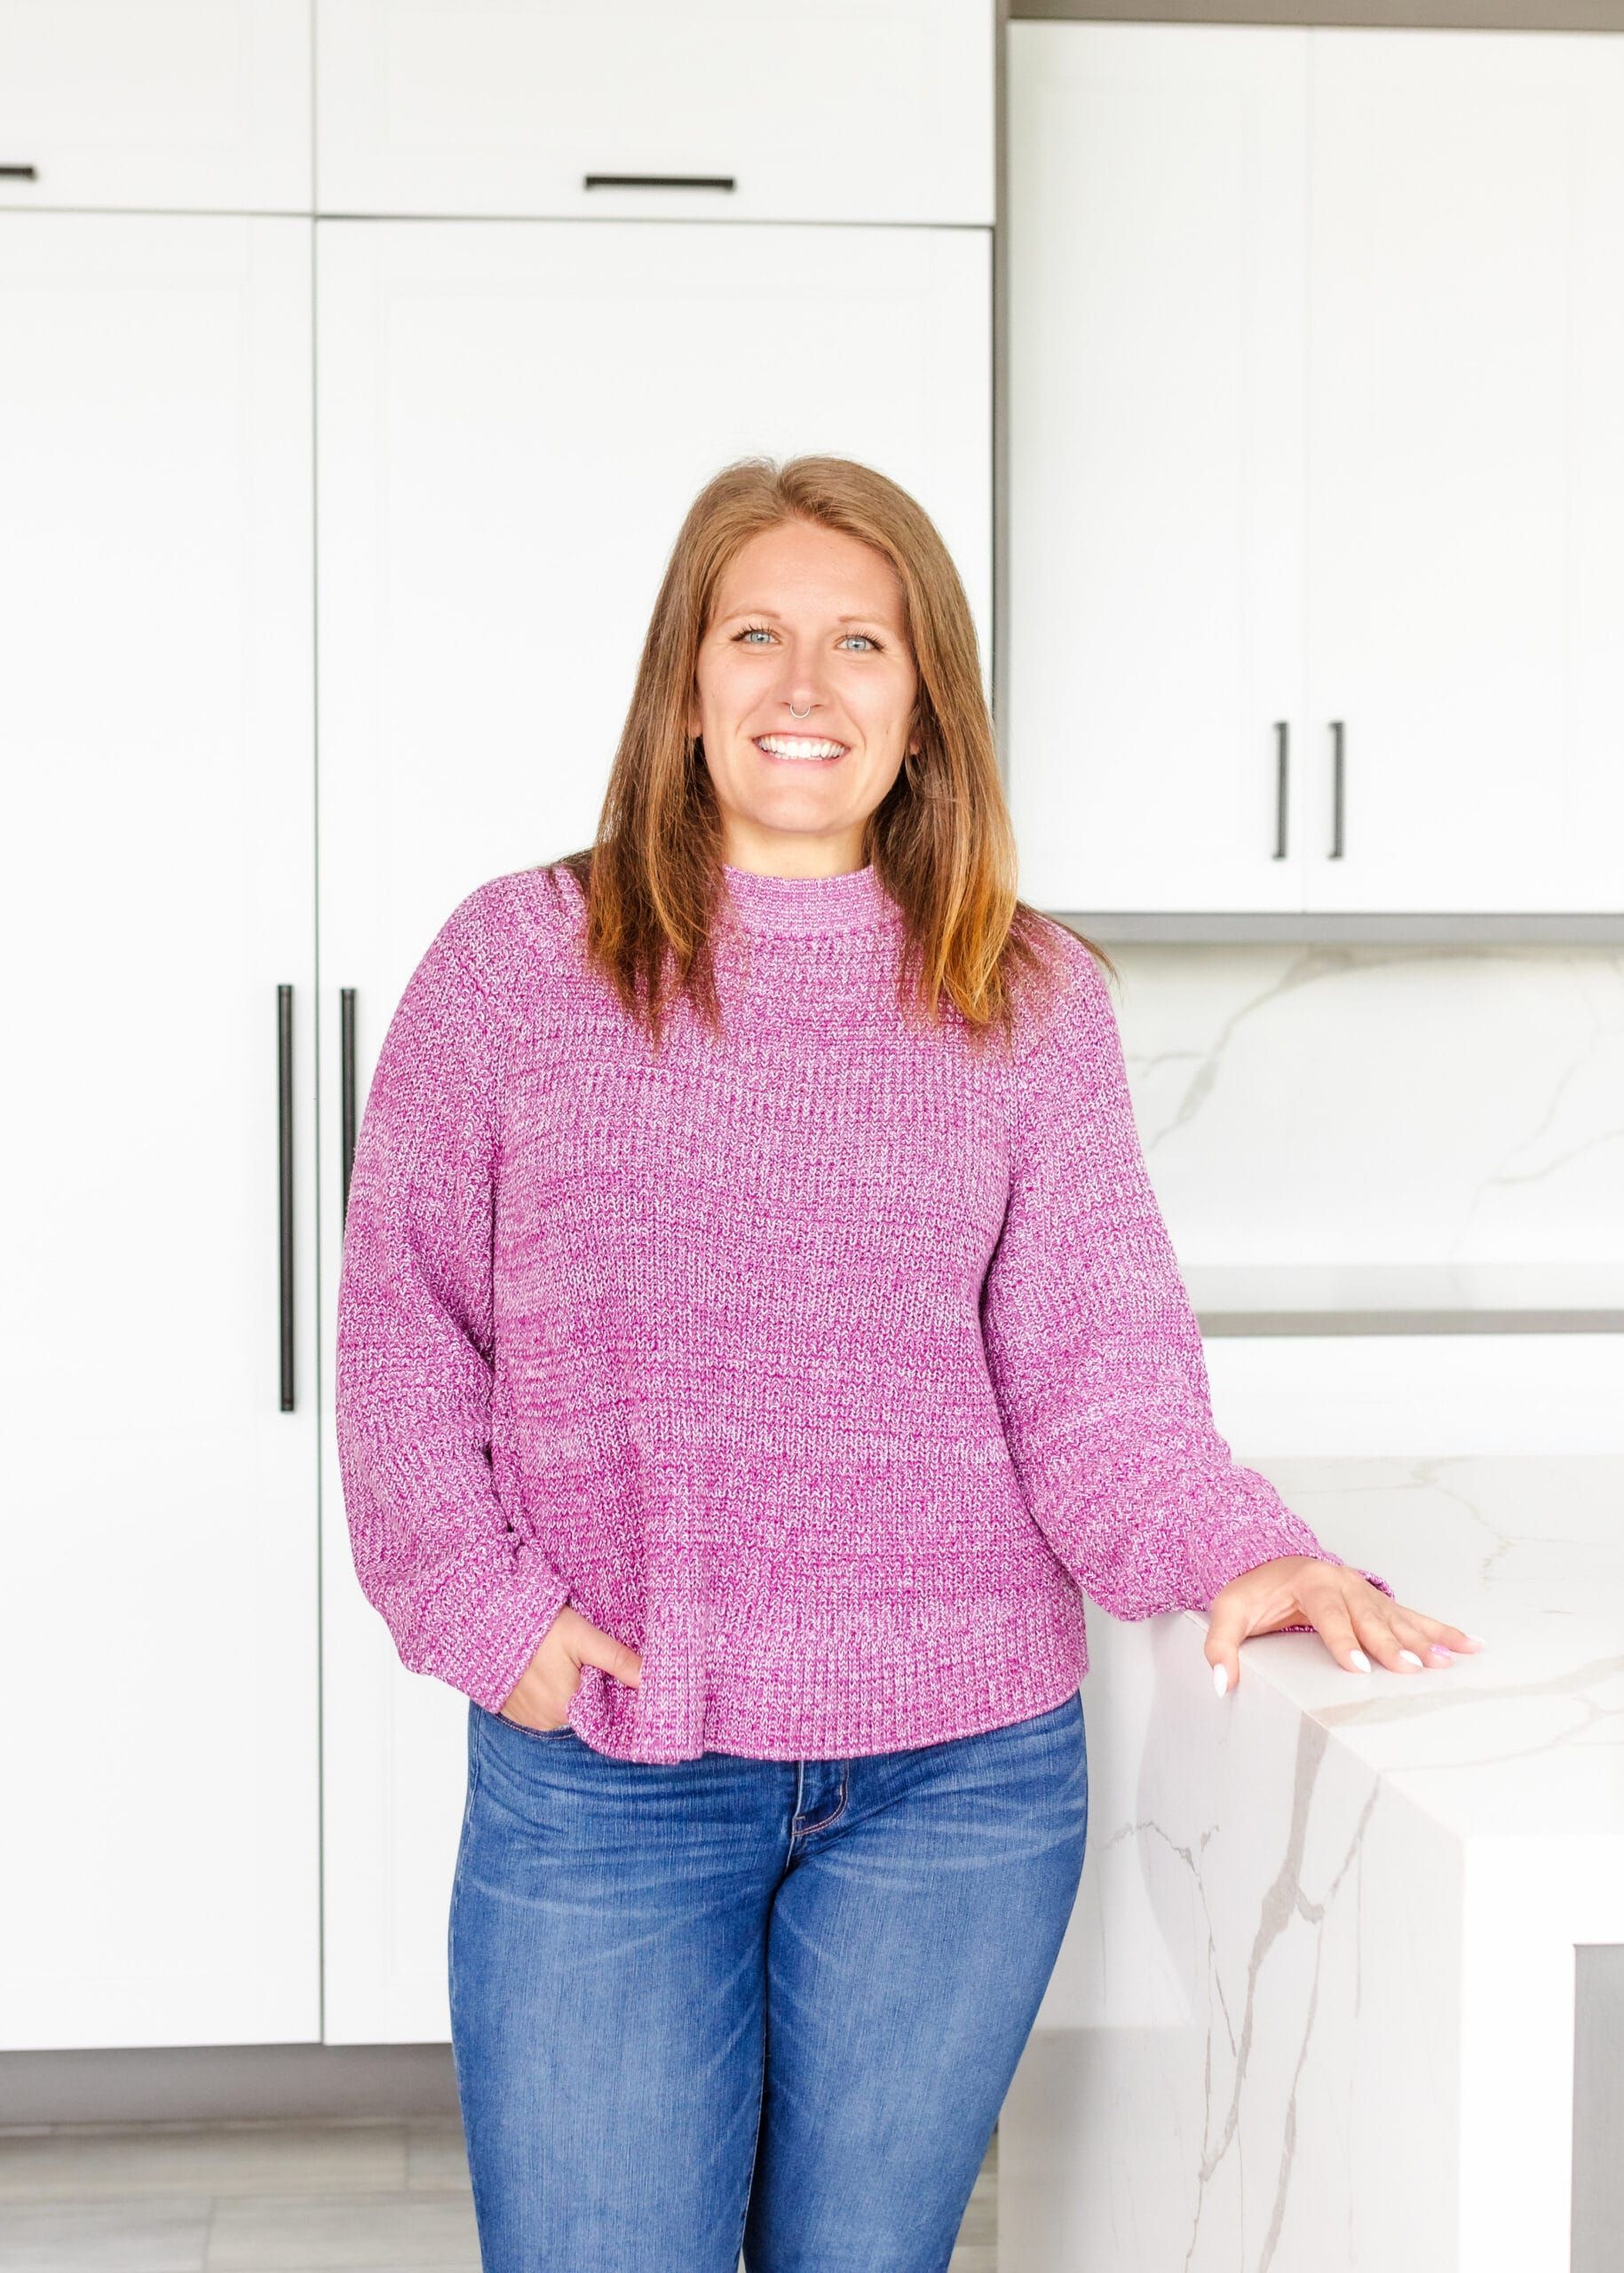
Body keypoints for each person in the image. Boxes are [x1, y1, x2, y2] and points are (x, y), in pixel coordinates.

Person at [333, 455, 1481, 2273]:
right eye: (758, 636)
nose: (806, 686)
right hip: (617, 1761)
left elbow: (1098, 1367)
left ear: (925, 694)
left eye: (861, 641)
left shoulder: (1025, 998)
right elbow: (404, 1328)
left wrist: (1233, 1545)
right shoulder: (516, 966)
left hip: (959, 1785)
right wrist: (484, 1610)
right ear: (684, 683)